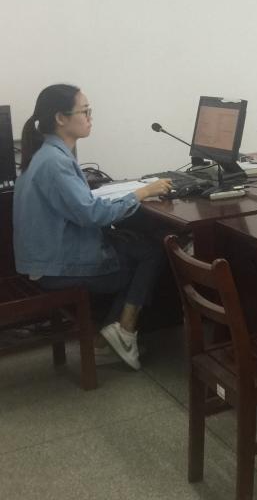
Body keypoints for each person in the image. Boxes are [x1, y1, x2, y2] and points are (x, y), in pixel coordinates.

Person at [13, 84, 171, 370]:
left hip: (47, 259)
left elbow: (81, 207)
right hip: (57, 267)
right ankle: (123, 331)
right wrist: (142, 193)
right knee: (152, 251)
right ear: (61, 118)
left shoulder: (47, 154)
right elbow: (92, 215)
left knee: (138, 244)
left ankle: (108, 339)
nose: (90, 118)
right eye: (85, 111)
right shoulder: (55, 162)